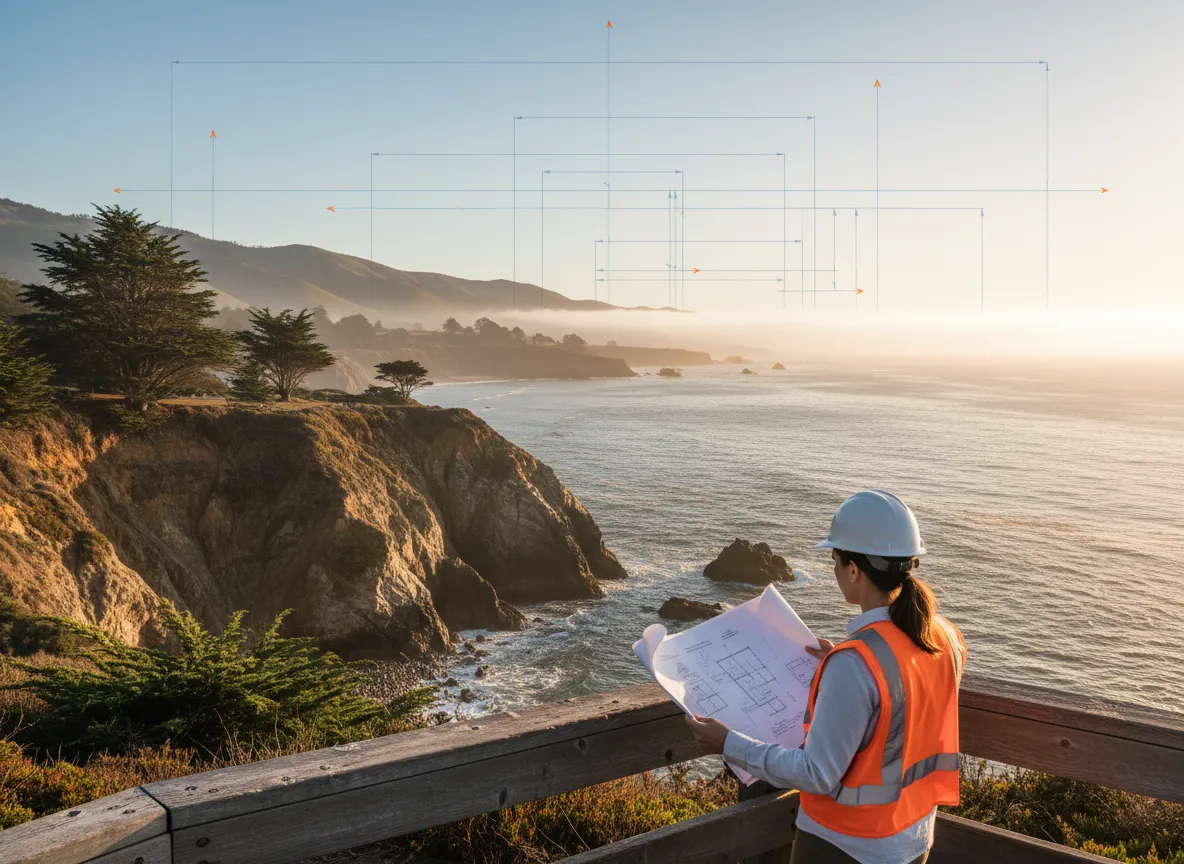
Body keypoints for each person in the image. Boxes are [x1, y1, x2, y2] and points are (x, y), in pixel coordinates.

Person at [685, 491, 967, 864]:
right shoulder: (946, 637)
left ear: (854, 570)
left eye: (835, 560)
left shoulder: (856, 664)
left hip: (846, 845)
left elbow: (816, 773)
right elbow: (903, 701)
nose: (834, 571)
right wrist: (846, 667)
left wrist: (728, 743)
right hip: (912, 838)